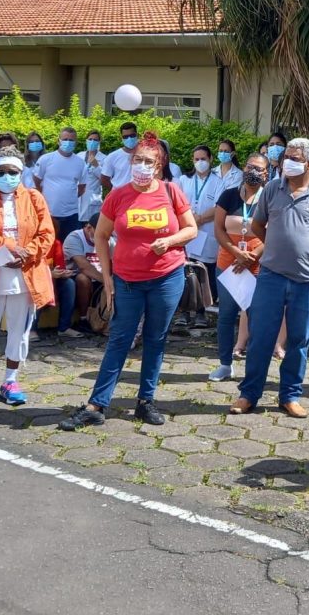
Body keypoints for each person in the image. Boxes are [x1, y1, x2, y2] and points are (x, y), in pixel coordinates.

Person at [58, 132, 197, 430]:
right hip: (128, 281)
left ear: (159, 166)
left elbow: (191, 229)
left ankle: (146, 401)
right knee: (119, 339)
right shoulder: (118, 195)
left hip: (166, 278)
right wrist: (107, 278)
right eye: (137, 160)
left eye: (148, 161)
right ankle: (97, 405)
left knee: (155, 338)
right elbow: (101, 236)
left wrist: (169, 241)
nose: (142, 166)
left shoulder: (171, 192)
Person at [229, 137, 309, 418]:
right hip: (272, 275)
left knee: (299, 340)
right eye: (286, 156)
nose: (286, 161)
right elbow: (257, 224)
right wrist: (278, 247)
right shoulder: (271, 189)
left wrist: (308, 252)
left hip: (307, 279)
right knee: (261, 337)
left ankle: (290, 395)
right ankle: (249, 394)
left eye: (294, 158)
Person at [0, 147, 56, 406]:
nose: (7, 176)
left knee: (19, 331)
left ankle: (11, 381)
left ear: (21, 171)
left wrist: (27, 253)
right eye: (1, 172)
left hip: (24, 277)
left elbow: (46, 234)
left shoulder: (35, 198)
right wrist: (6, 245)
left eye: (12, 171)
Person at [209, 153, 269, 381]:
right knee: (226, 315)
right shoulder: (228, 195)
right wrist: (236, 253)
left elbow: (274, 231)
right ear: (244, 168)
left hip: (257, 266)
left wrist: (253, 255)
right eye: (250, 166)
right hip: (228, 265)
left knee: (256, 317)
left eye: (259, 169)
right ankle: (225, 364)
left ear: (266, 174)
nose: (253, 172)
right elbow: (218, 229)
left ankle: (254, 369)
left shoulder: (269, 198)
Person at [180, 145, 221, 303]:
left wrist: (199, 219)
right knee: (187, 270)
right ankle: (185, 307)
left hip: (207, 233)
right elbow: (178, 204)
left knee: (206, 272)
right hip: (188, 233)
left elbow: (218, 207)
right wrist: (191, 220)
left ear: (210, 159)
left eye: (203, 159)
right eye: (196, 159)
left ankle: (203, 308)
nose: (200, 162)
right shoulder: (184, 180)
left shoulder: (218, 182)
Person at [34, 126, 87, 241]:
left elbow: (82, 187)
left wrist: (68, 198)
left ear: (76, 142)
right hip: (49, 213)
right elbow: (36, 181)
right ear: (58, 141)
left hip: (71, 215)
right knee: (49, 245)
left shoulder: (80, 163)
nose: (68, 142)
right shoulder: (46, 159)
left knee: (70, 246)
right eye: (65, 139)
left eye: (71, 140)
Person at [64, 214, 103, 326]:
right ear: (89, 227)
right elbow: (83, 267)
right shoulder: (74, 238)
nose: (104, 235)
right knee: (83, 278)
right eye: (99, 232)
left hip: (99, 278)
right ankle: (83, 319)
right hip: (76, 278)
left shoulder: (108, 238)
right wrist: (107, 281)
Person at [78, 129, 106, 224]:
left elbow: (104, 180)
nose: (92, 142)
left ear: (99, 142)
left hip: (92, 199)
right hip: (77, 198)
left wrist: (96, 165)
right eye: (90, 139)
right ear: (86, 141)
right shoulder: (79, 156)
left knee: (90, 227)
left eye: (95, 140)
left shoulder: (104, 158)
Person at [101, 121, 139, 190]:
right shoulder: (112, 157)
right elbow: (104, 179)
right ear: (121, 138)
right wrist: (116, 192)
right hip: (120, 195)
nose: (129, 138)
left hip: (140, 195)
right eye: (125, 137)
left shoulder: (146, 154)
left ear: (137, 135)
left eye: (132, 135)